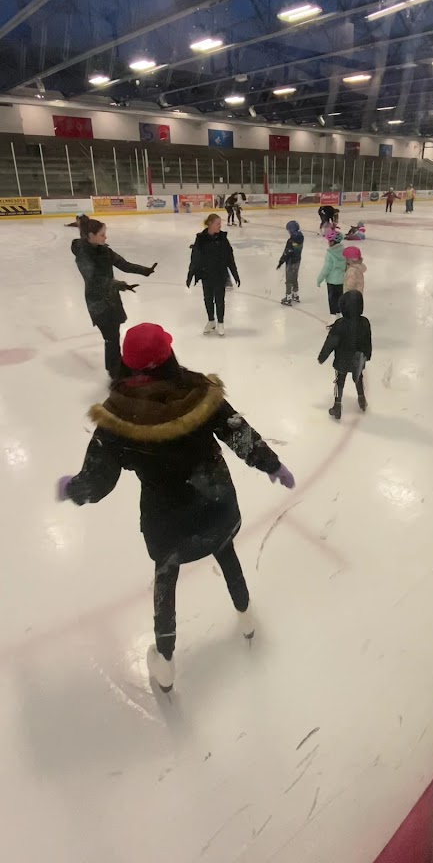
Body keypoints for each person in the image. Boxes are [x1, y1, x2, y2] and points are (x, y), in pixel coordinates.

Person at [56, 323, 295, 693]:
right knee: (225, 550)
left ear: (126, 364)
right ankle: (246, 616)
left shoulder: (117, 418)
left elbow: (98, 480)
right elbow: (238, 432)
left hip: (167, 520)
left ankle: (165, 662)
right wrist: (271, 464)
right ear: (168, 355)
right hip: (216, 505)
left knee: (166, 580)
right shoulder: (200, 393)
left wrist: (73, 488)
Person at [71, 215, 156, 378]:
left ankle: (116, 367)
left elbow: (123, 264)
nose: (106, 237)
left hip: (111, 298)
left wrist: (145, 270)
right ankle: (114, 370)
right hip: (97, 302)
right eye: (102, 234)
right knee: (110, 337)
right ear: (91, 236)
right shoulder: (83, 255)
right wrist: (119, 285)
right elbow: (94, 279)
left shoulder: (104, 251)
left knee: (114, 335)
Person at [318, 291, 372, 420]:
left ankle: (337, 405)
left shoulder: (340, 324)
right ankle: (362, 399)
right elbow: (368, 341)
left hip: (342, 360)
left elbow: (331, 342)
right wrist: (367, 354)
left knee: (339, 382)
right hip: (358, 359)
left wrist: (322, 357)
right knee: (359, 378)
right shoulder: (364, 322)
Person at [187, 213, 239, 336]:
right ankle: (211, 321)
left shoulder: (222, 238)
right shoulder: (201, 238)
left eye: (220, 223)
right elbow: (195, 258)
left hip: (220, 274)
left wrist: (235, 274)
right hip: (206, 274)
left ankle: (220, 323)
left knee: (219, 299)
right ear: (210, 224)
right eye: (218, 223)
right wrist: (190, 275)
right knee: (208, 299)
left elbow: (229, 257)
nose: (220, 226)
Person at [317, 230, 346, 322]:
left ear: (332, 242)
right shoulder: (344, 251)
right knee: (340, 299)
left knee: (332, 300)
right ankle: (339, 316)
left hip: (332, 281)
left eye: (329, 241)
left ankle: (333, 318)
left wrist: (319, 279)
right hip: (342, 280)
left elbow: (326, 268)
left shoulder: (330, 253)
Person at [277, 220, 304, 305]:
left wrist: (281, 262)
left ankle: (288, 297)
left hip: (290, 262)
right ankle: (295, 295)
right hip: (297, 261)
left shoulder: (290, 241)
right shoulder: (301, 238)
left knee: (289, 280)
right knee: (294, 278)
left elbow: (286, 253)